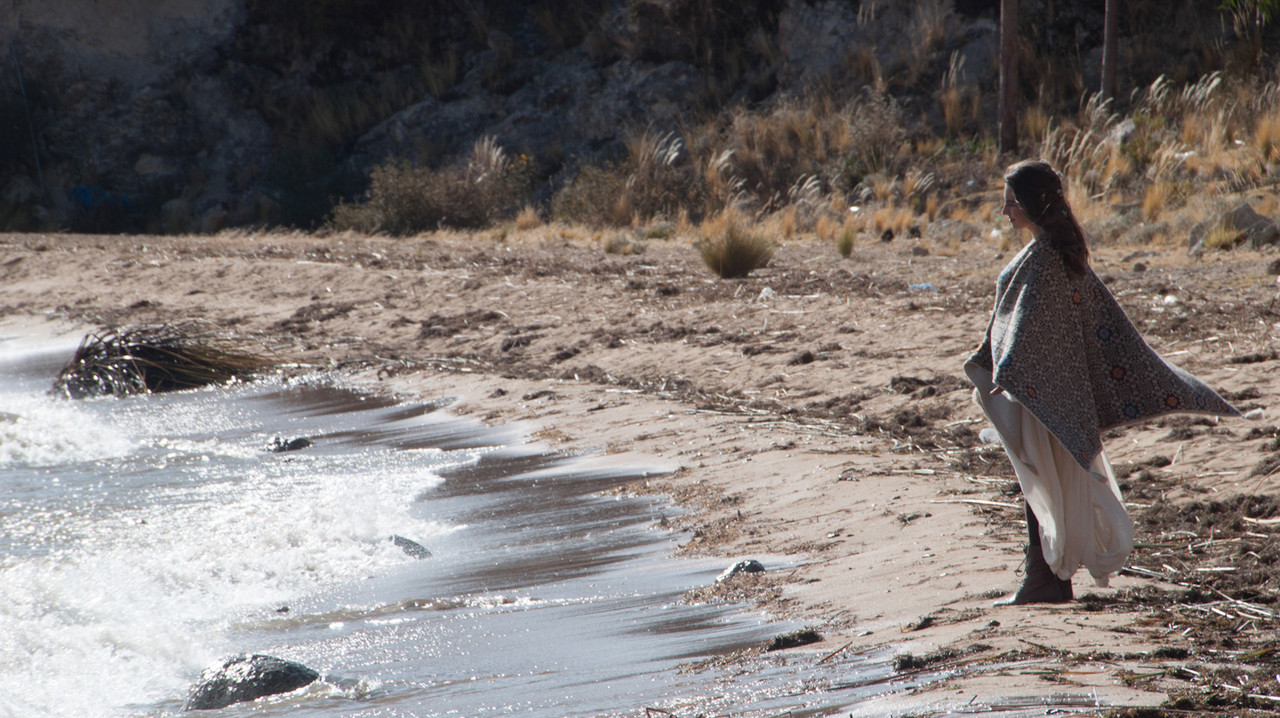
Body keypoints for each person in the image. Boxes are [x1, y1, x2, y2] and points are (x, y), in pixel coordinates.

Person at [965, 159, 1240, 605]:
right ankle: (1049, 578)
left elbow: (1035, 326)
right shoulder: (1050, 252)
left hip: (1045, 392)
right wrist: (1008, 368)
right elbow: (1030, 324)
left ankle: (1043, 580)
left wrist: (1011, 371)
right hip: (1047, 388)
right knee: (1041, 477)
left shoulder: (1049, 259)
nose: (1004, 213)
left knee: (1039, 476)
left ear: (1033, 205)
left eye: (1010, 203)